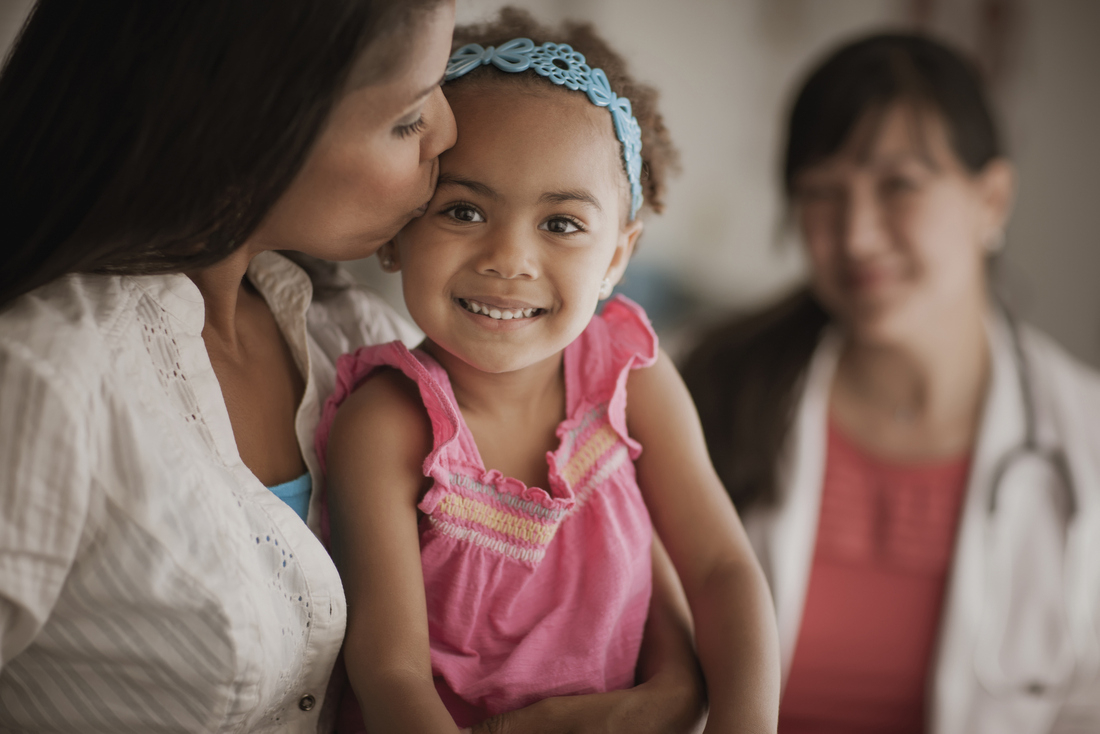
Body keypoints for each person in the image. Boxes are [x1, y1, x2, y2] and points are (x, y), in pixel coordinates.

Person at [0, 2, 705, 732]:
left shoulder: (357, 333)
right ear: (254, 126)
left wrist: (676, 685)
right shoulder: (45, 382)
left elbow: (602, 527)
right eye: (407, 117)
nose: (447, 130)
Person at [314, 10, 781, 734]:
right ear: (397, 233)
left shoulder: (631, 383)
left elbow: (723, 573)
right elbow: (390, 672)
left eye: (560, 224)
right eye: (463, 210)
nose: (509, 259)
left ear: (618, 259)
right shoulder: (388, 425)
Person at [682, 32, 1100, 734]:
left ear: (992, 199)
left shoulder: (1084, 436)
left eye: (898, 184)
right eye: (821, 194)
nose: (857, 236)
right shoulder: (705, 387)